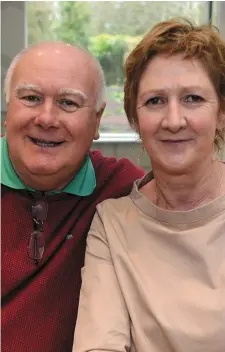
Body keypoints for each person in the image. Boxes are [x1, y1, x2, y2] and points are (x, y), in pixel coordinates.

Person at [73, 18, 225, 352]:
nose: (173, 120)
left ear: (222, 113)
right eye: (155, 101)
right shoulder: (112, 225)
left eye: (193, 98)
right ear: (135, 118)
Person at [1, 41, 144, 352]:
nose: (47, 118)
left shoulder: (124, 188)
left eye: (68, 103)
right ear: (7, 110)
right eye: (31, 98)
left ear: (97, 120)